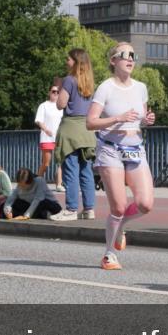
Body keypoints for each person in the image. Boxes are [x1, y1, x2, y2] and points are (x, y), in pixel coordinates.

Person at [87, 42, 157, 269]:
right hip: (110, 149)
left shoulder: (141, 88)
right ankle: (109, 254)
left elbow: (140, 119)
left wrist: (147, 120)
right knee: (118, 207)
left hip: (135, 148)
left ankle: (120, 226)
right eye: (125, 54)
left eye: (133, 55)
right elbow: (91, 122)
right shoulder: (105, 88)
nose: (130, 59)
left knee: (145, 204)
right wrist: (118, 118)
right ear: (113, 60)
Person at [55, 48, 97, 221]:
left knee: (71, 170)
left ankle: (71, 209)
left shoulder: (69, 80)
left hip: (71, 130)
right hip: (87, 130)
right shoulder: (90, 83)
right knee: (86, 171)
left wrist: (59, 87)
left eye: (69, 59)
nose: (66, 62)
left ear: (76, 62)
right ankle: (89, 209)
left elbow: (60, 104)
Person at [35, 79, 64, 191]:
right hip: (47, 138)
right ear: (49, 93)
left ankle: (59, 185)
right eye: (53, 91)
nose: (55, 93)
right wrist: (46, 130)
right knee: (46, 163)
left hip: (59, 137)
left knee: (60, 162)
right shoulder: (44, 105)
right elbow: (39, 120)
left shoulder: (62, 106)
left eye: (57, 92)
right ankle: (38, 183)